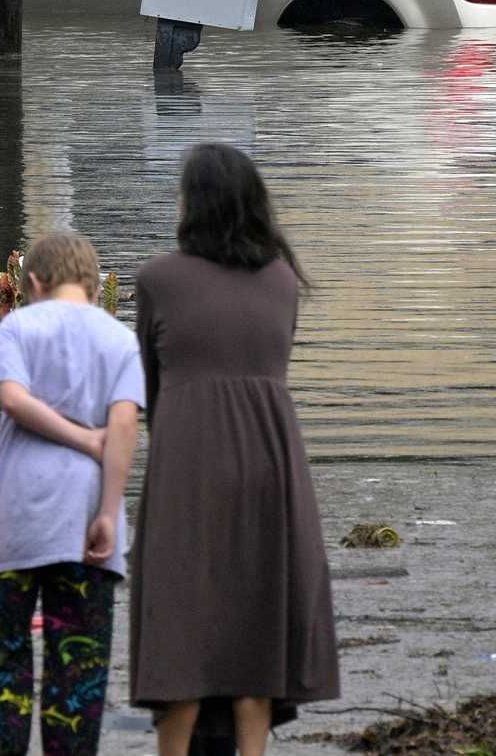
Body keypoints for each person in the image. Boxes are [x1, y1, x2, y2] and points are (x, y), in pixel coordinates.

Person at [128, 143, 339, 756]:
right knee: (257, 620)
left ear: (194, 204)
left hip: (187, 457)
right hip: (272, 459)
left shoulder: (157, 279)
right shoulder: (283, 280)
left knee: (179, 623)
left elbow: (149, 385)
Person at [0, 231, 145, 756]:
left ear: (33, 282)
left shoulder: (18, 326)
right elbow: (124, 428)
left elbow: (12, 399)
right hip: (87, 516)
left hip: (18, 521)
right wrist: (109, 513)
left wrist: (77, 437)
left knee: (8, 654)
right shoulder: (119, 339)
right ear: (94, 287)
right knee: (79, 663)